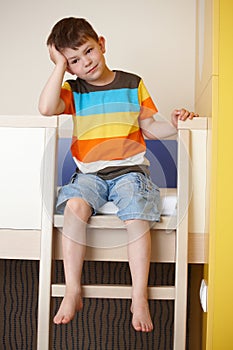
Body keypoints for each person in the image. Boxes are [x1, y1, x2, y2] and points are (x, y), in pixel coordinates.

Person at [39, 17, 198, 332]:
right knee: (73, 208)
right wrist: (58, 65)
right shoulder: (74, 89)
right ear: (67, 67)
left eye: (88, 51)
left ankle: (139, 296)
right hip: (89, 174)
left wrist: (176, 124)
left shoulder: (131, 83)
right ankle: (73, 289)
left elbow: (151, 128)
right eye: (73, 60)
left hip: (130, 170)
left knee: (136, 215)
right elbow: (45, 108)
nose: (85, 62)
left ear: (102, 43)